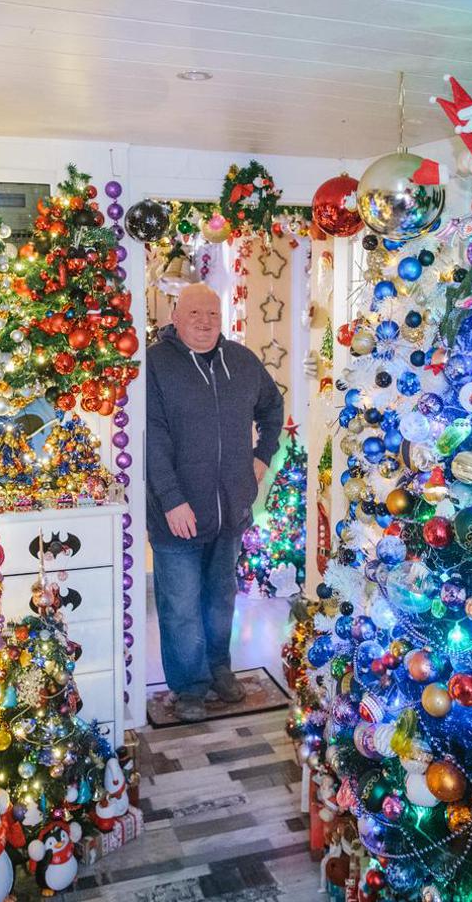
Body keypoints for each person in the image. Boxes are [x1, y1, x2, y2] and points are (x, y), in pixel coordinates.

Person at [145, 282, 284, 721]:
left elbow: (272, 407)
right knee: (182, 605)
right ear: (175, 316)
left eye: (212, 315)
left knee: (220, 598)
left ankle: (219, 669)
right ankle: (189, 687)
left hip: (231, 509)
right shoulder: (155, 364)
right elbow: (153, 439)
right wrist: (171, 500)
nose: (204, 323)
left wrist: (262, 457)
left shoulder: (240, 362)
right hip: (178, 513)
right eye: (194, 315)